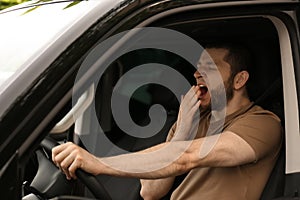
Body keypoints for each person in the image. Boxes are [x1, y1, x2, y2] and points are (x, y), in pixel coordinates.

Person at [52, 43, 283, 200]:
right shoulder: (192, 120)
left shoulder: (262, 123)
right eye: (198, 67)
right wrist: (182, 130)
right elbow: (150, 192)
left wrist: (99, 163)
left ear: (240, 79)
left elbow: (186, 157)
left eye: (210, 67)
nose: (197, 74)